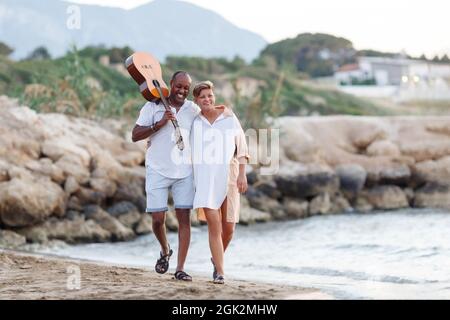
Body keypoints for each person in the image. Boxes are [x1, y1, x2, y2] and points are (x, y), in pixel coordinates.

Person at [132, 71, 200, 281]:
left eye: (186, 88)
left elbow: (208, 125)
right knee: (157, 220)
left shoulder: (192, 109)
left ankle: (180, 269)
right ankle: (165, 249)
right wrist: (159, 124)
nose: (182, 91)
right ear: (171, 84)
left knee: (184, 221)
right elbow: (135, 135)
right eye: (179, 86)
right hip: (157, 169)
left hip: (184, 172)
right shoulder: (152, 106)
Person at [191, 81, 249, 284]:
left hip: (230, 178)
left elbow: (241, 147)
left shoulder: (229, 117)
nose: (207, 99)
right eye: (202, 97)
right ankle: (220, 272)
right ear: (196, 101)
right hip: (206, 181)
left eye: (209, 95)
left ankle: (217, 259)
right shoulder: (195, 122)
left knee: (229, 229)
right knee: (214, 228)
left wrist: (242, 174)